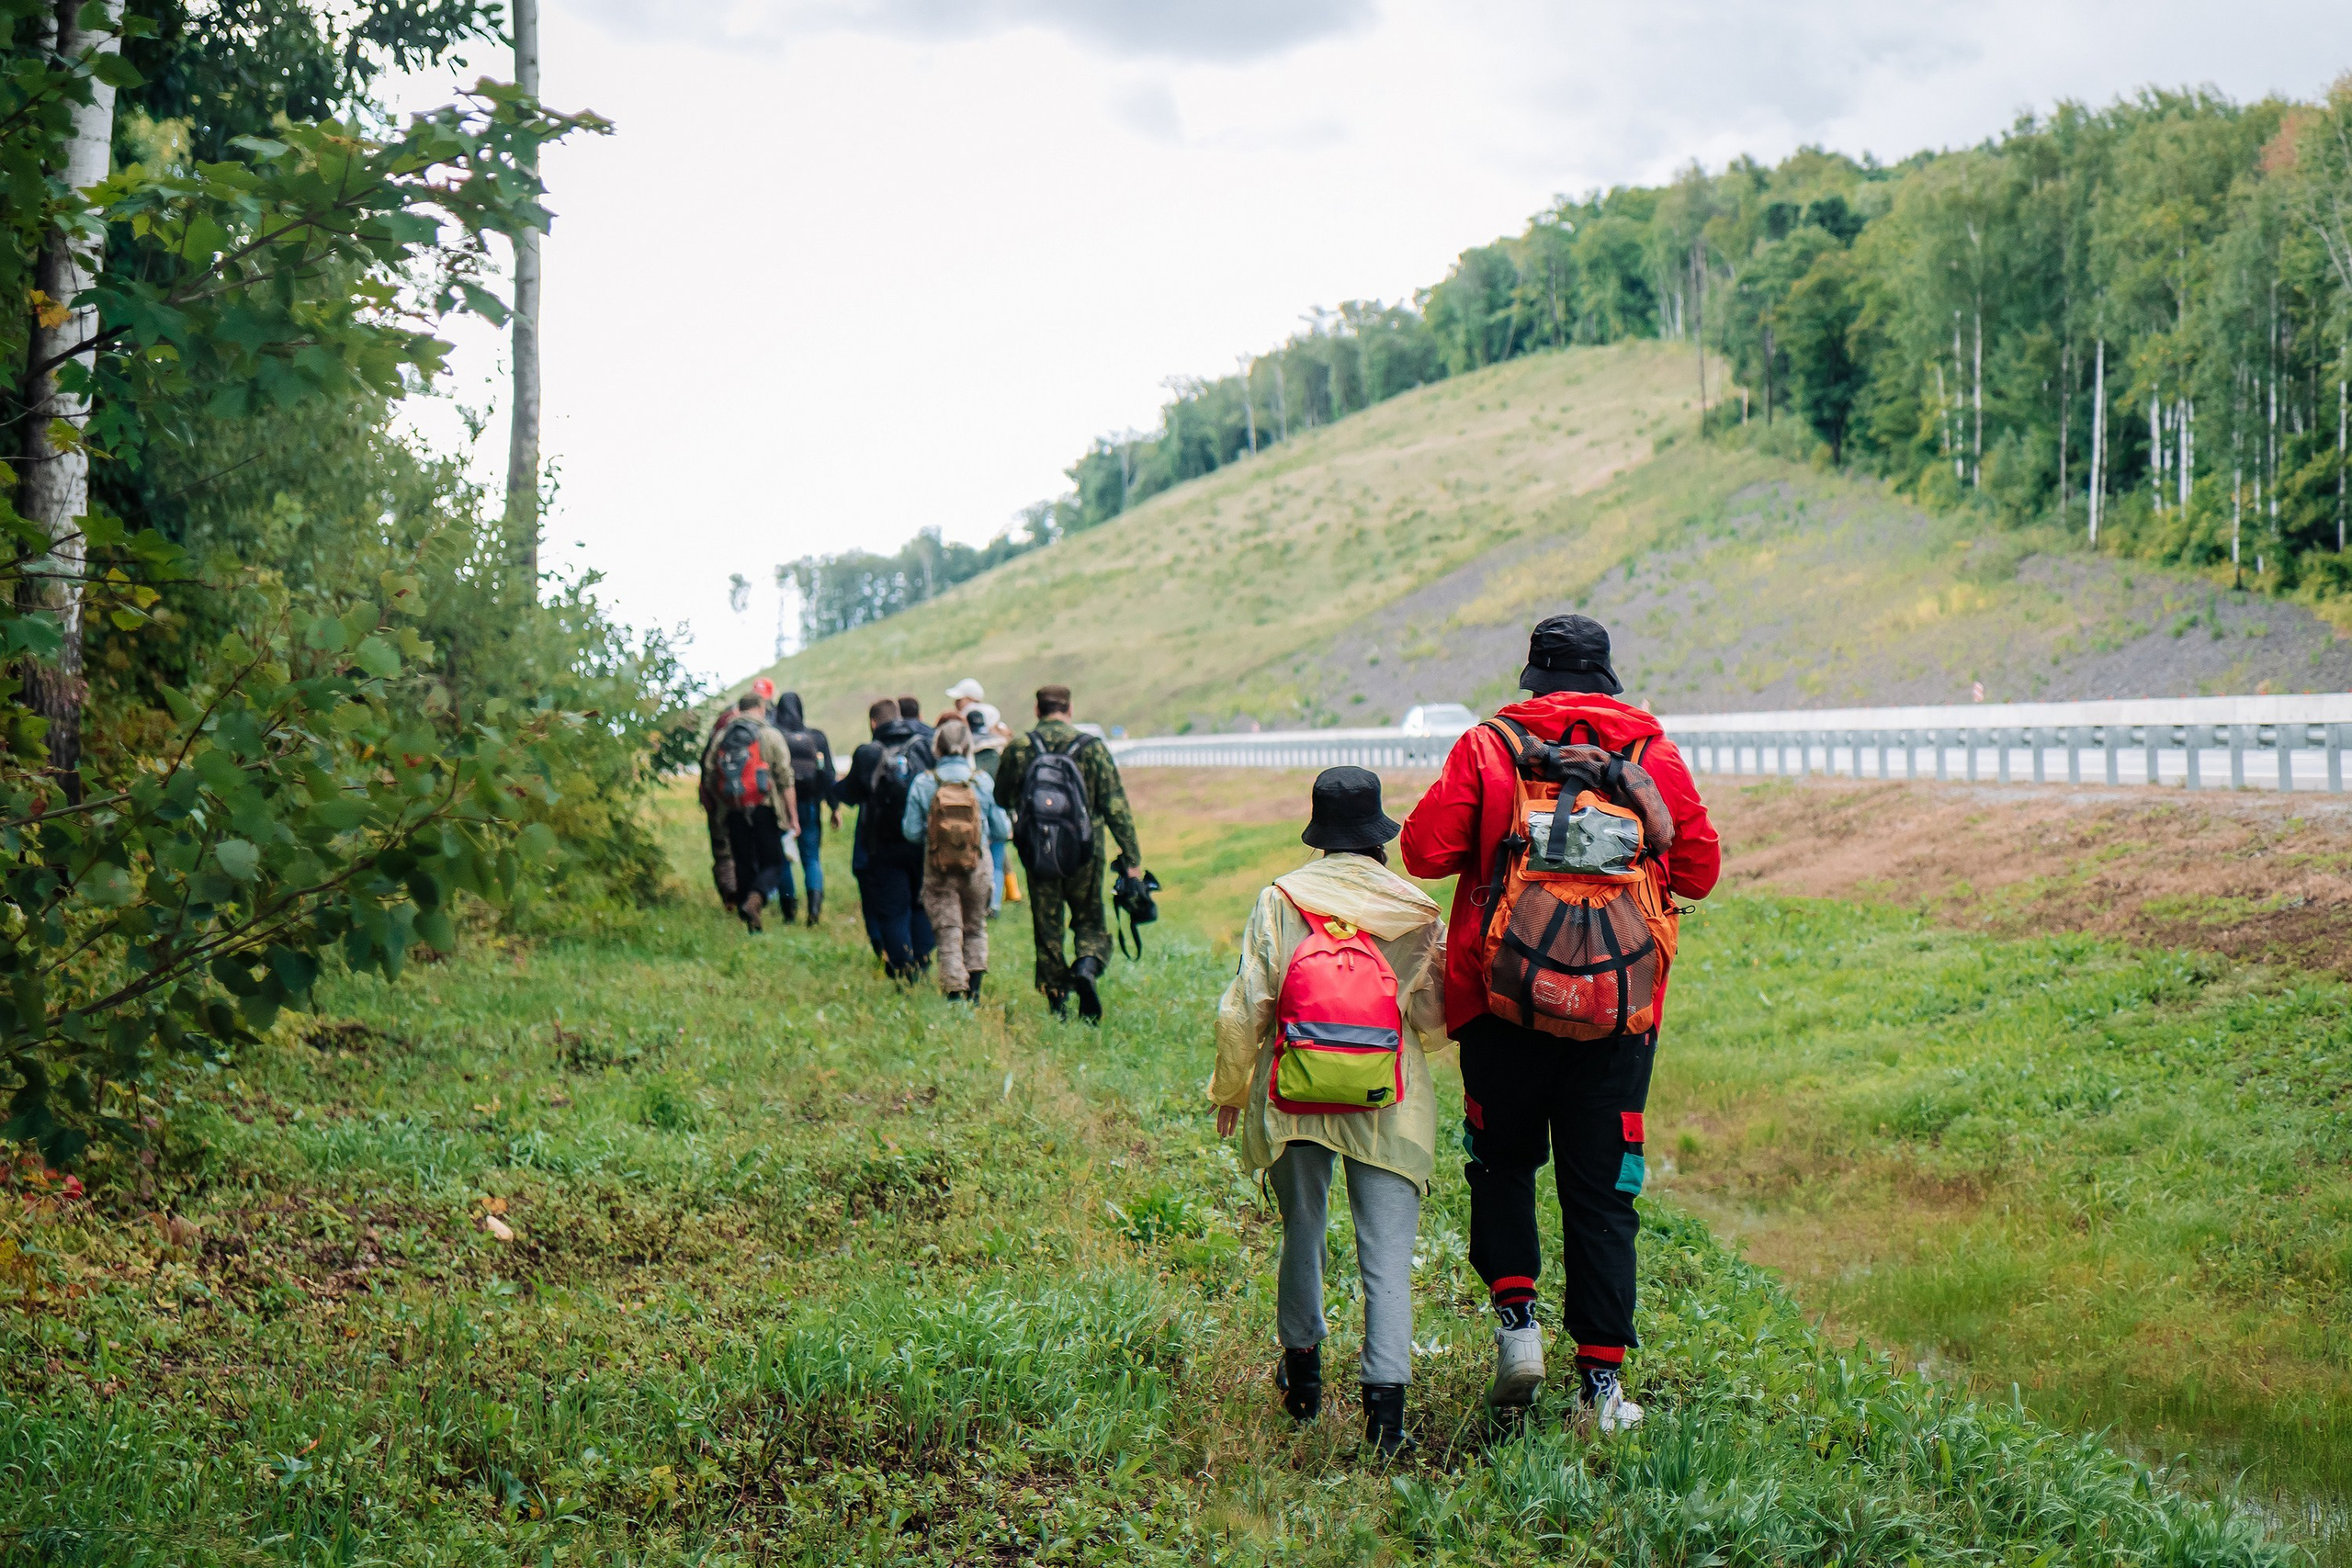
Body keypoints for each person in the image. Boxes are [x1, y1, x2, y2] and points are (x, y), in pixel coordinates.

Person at [1400, 614, 1719, 1434]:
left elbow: (1424, 853)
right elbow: (1700, 870)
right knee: (1604, 1191)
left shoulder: (1489, 746)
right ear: (1606, 677)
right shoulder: (1650, 755)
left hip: (1500, 1003)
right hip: (1618, 1013)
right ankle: (1603, 1391)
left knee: (1503, 1164)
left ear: (1534, 679)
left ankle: (1517, 1334)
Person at [1211, 768, 1444, 1457]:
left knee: (1303, 1232)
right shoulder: (1413, 908)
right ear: (1378, 833)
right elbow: (1434, 1016)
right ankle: (1386, 1422)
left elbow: (1247, 1001)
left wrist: (1230, 1089)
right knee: (1387, 1258)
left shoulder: (1281, 898)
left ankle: (1305, 1385)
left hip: (1295, 1094)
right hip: (1389, 1104)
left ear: (1319, 833)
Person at [996, 685, 1145, 1022]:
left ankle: (1057, 1000)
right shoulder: (1091, 748)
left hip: (1038, 851)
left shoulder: (1020, 747)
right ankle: (1086, 967)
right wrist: (1132, 859)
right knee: (1090, 919)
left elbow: (1001, 797)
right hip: (1085, 851)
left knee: (1047, 925)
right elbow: (1115, 805)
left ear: (1038, 710)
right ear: (1070, 709)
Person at [901, 716, 1012, 1000]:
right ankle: (974, 989)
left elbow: (911, 832)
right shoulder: (982, 781)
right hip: (977, 865)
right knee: (975, 927)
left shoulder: (924, 782)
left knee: (948, 929)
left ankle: (954, 993)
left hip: (938, 867)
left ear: (936, 747)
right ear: (967, 748)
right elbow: (1001, 829)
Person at [841, 695, 936, 978]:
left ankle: (901, 966)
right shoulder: (925, 745)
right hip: (923, 841)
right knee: (921, 902)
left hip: (883, 845)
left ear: (873, 722)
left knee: (893, 909)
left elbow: (851, 794)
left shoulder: (869, 752)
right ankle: (922, 958)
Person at [701, 694, 799, 931]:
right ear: (761, 707)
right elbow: (785, 778)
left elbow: (709, 773)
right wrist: (792, 817)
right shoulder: (770, 735)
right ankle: (756, 899)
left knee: (743, 864)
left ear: (739, 709)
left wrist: (723, 803)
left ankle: (750, 922)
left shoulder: (722, 735)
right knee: (774, 863)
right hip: (765, 808)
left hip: (734, 809)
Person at [770, 688, 838, 926]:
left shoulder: (774, 735)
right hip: (810, 803)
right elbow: (828, 773)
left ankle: (789, 912)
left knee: (784, 856)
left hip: (781, 806)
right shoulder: (816, 736)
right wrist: (834, 807)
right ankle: (814, 909)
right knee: (811, 857)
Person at [695, 705, 740, 912]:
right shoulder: (750, 736)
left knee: (723, 852)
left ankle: (729, 894)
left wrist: (711, 798)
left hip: (718, 804)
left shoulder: (718, 736)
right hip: (744, 803)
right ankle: (745, 893)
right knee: (744, 849)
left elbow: (708, 770)